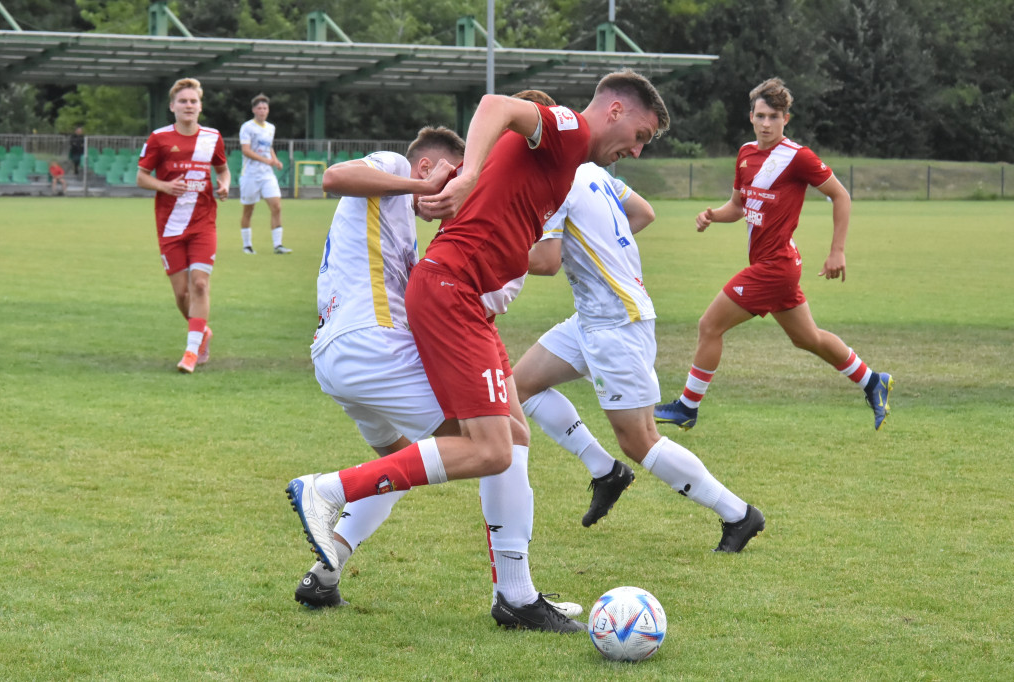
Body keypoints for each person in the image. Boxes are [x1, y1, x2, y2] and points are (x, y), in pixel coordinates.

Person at [286, 69, 669, 631]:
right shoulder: (564, 129)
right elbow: (496, 103)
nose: (637, 149)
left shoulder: (555, 172)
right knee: (493, 449)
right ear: (615, 110)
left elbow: (537, 250)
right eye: (642, 134)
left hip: (427, 315)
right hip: (425, 311)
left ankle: (506, 593)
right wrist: (462, 178)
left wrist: (474, 187)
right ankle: (328, 489)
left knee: (502, 441)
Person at [289, 125, 582, 628]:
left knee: (405, 462)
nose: (465, 182)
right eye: (460, 171)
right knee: (502, 440)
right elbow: (335, 176)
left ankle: (326, 570)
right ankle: (516, 594)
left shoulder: (397, 213)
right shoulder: (396, 166)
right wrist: (426, 188)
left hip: (341, 356)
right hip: (372, 345)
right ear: (428, 166)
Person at [514, 161, 764, 551]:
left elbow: (545, 261)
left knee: (640, 440)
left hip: (617, 324)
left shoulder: (553, 178)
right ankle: (606, 471)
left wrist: (488, 253)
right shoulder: (591, 170)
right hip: (592, 318)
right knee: (520, 387)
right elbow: (643, 211)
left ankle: (738, 514)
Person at [654, 77, 894, 431]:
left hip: (775, 267)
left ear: (786, 119)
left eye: (774, 117)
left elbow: (841, 196)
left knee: (709, 326)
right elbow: (738, 206)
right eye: (761, 115)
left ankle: (688, 407)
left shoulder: (798, 158)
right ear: (751, 116)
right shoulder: (746, 153)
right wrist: (712, 216)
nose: (767, 124)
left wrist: (837, 251)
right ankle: (873, 381)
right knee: (807, 338)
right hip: (778, 266)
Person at [136, 77, 230, 374]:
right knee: (182, 295)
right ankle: (202, 332)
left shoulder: (212, 137)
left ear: (200, 106)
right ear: (172, 106)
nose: (188, 106)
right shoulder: (159, 138)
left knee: (200, 284)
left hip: (204, 223)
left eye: (193, 101)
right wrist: (164, 186)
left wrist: (224, 185)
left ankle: (190, 352)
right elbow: (141, 177)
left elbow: (223, 170)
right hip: (170, 226)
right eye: (183, 101)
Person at [238, 94, 290, 254]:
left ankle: (278, 245)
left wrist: (274, 160)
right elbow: (246, 150)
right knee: (249, 210)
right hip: (250, 174)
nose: (262, 111)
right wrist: (264, 160)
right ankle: (247, 245)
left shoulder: (270, 128)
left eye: (265, 108)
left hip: (267, 174)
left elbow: (269, 147)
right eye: (259, 108)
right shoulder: (247, 127)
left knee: (277, 206)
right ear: (254, 110)